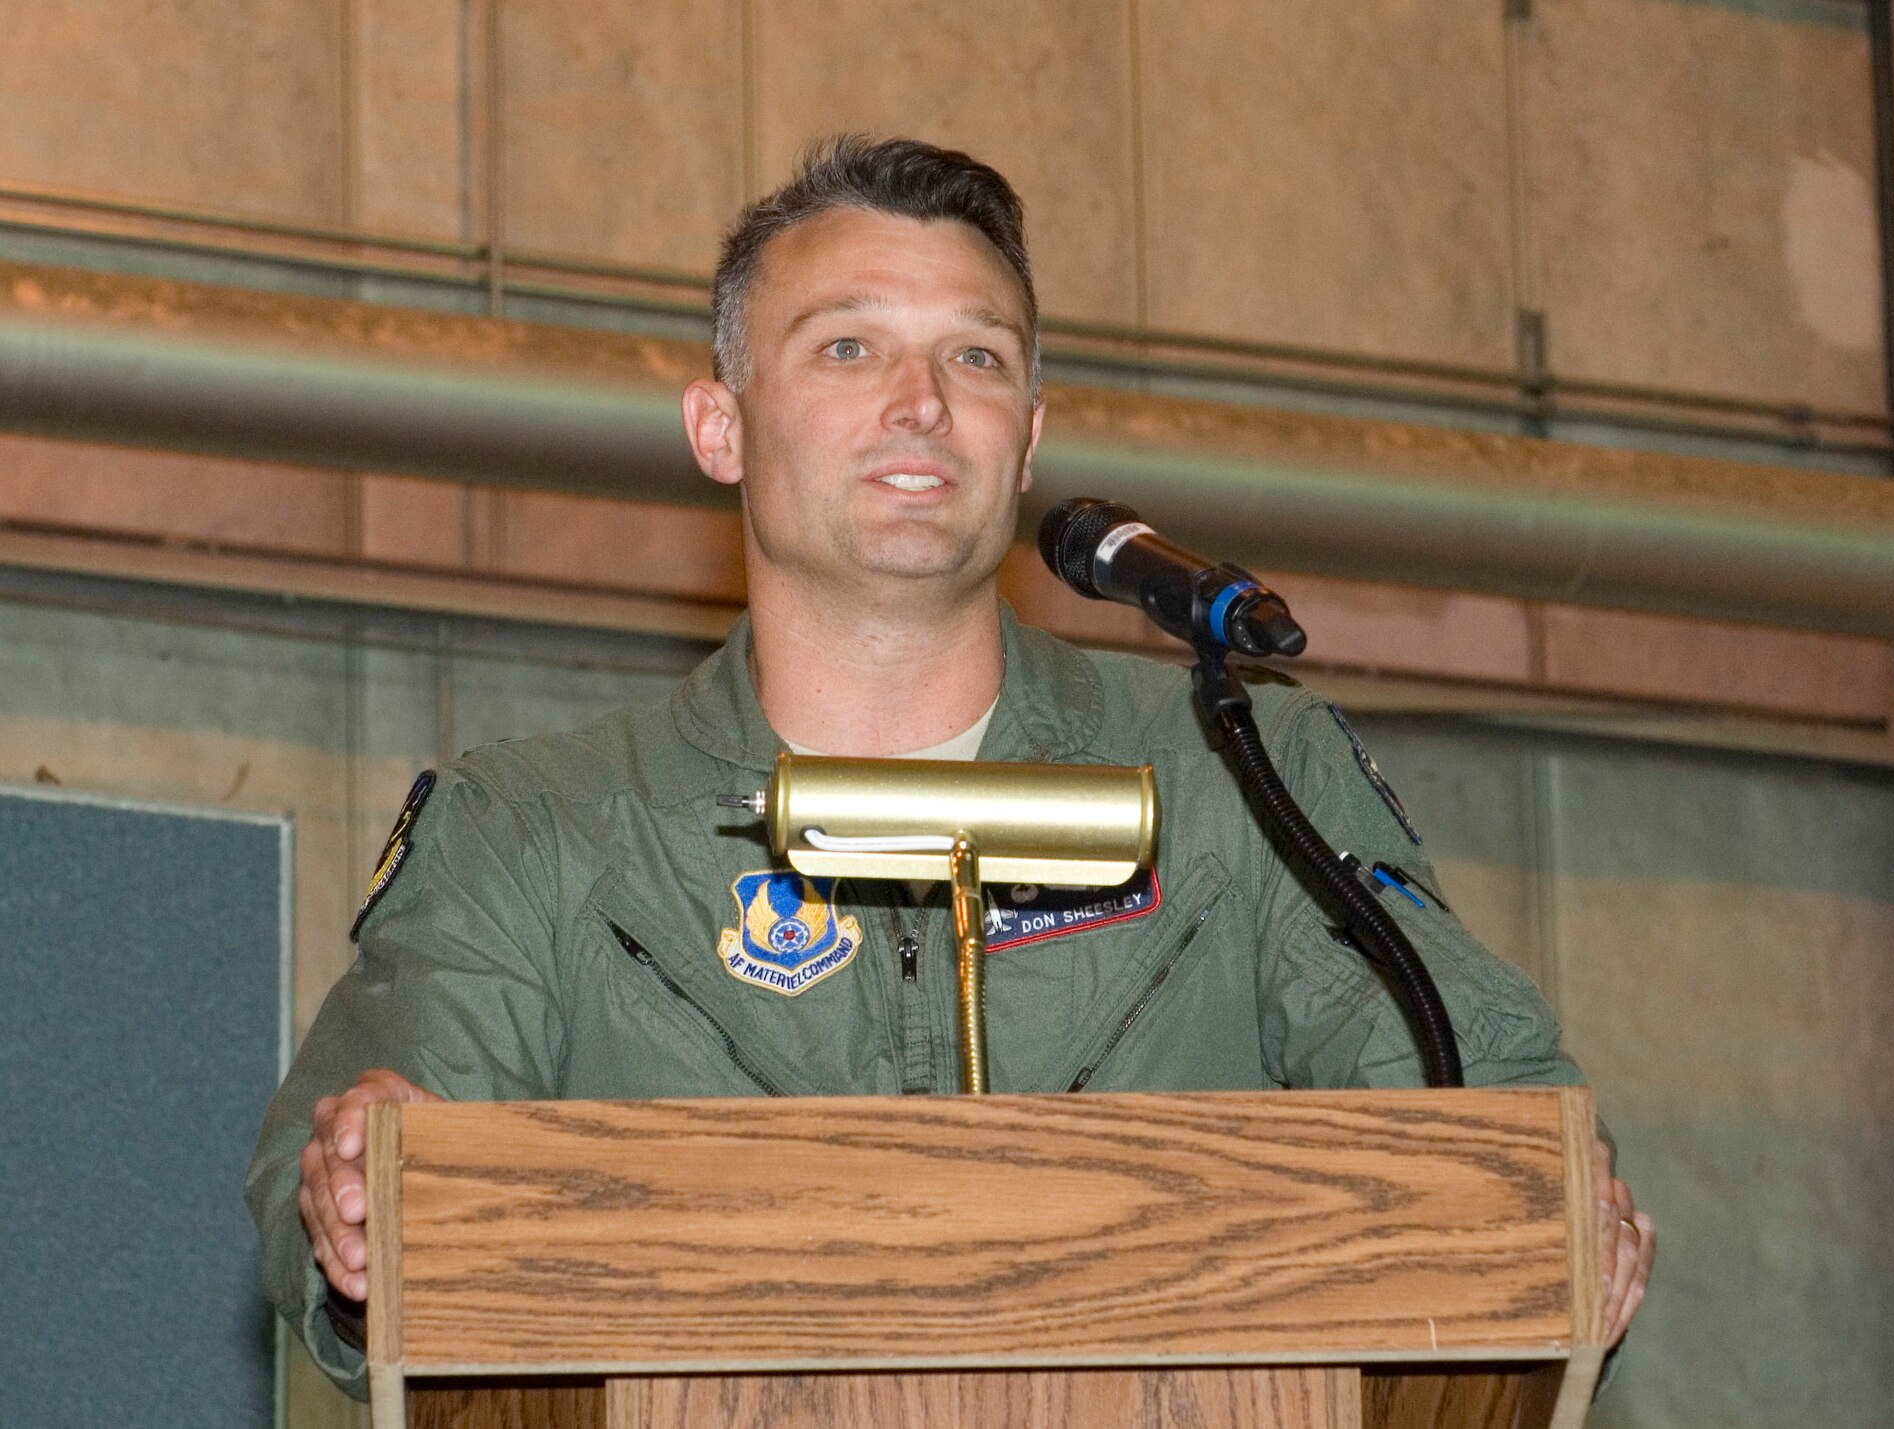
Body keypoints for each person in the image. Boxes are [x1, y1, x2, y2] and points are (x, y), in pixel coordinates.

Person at [247, 135, 1654, 1398]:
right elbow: (365, 1183)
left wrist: (1552, 1193)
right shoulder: (542, 828)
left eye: (976, 357)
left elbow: (1483, 1113)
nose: (921, 401)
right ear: (719, 427)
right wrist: (365, 1196)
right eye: (847, 348)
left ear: (1029, 439)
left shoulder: (1239, 777)